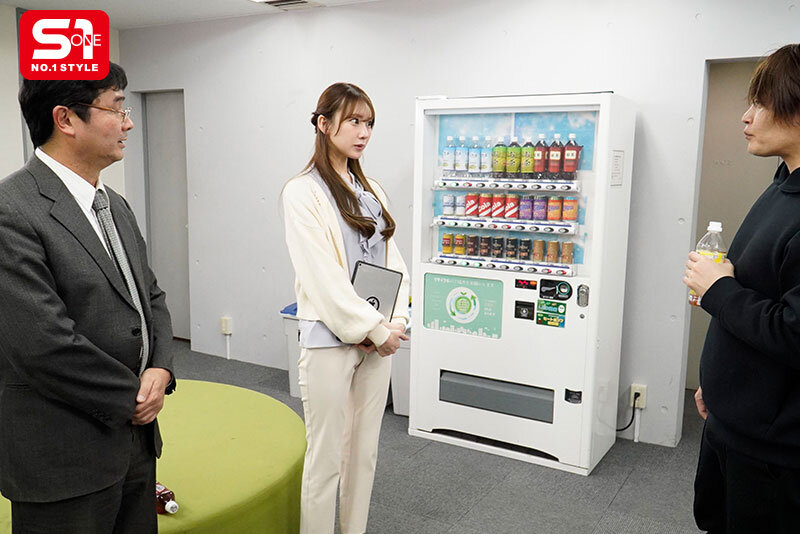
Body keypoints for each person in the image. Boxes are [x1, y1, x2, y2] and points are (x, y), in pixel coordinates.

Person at [0, 63, 175, 533]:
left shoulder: (114, 204)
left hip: (135, 445)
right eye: (117, 108)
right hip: (63, 455)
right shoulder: (11, 210)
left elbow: (150, 296)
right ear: (66, 119)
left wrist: (161, 368)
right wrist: (132, 396)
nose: (128, 123)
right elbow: (42, 344)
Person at [282, 82, 410, 534]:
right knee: (327, 458)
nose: (363, 132)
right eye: (353, 121)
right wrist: (375, 329)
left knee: (363, 455)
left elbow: (393, 261)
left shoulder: (372, 189)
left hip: (378, 340)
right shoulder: (302, 193)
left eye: (369, 123)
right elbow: (322, 277)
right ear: (324, 124)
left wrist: (396, 320)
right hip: (330, 340)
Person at [683, 44, 800, 533]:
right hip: (734, 422)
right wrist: (719, 385)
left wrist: (718, 289)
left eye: (761, 102)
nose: (747, 117)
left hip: (773, 454)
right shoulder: (783, 184)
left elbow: (793, 333)